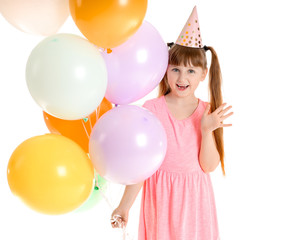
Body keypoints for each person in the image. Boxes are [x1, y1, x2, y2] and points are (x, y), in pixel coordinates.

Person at [110, 6, 233, 240]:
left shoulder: (208, 112)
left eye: (190, 71)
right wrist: (124, 206)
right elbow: (142, 167)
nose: (182, 78)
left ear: (203, 74)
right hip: (161, 199)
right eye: (175, 69)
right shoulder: (152, 110)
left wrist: (207, 130)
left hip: (195, 200)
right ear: (165, 69)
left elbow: (208, 166)